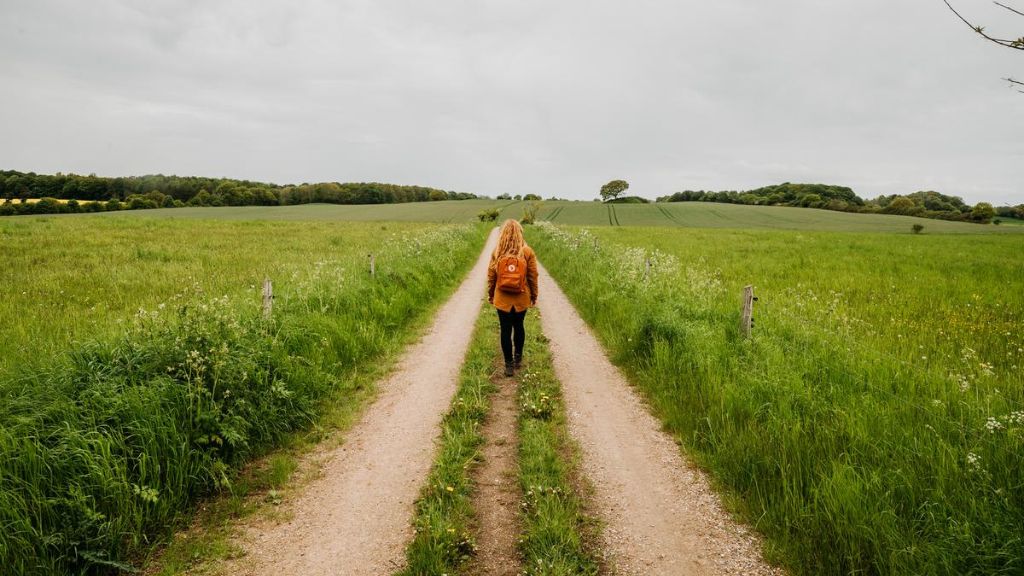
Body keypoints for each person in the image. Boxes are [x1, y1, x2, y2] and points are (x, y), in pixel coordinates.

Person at [487, 219, 539, 377]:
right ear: (520, 233)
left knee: (505, 329)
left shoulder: (497, 251)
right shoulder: (527, 252)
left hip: (502, 299)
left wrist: (491, 294)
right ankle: (518, 359)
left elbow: (491, 276)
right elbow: (533, 276)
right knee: (519, 326)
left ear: (503, 234)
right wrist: (534, 295)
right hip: (521, 297)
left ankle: (508, 365)